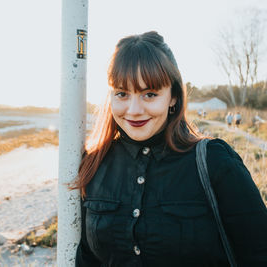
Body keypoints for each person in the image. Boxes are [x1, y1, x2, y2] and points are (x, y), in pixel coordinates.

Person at [73, 31, 267, 266]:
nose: (133, 110)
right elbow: (87, 259)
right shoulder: (95, 163)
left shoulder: (215, 162)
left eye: (150, 94)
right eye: (122, 93)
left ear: (173, 97)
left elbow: (258, 253)